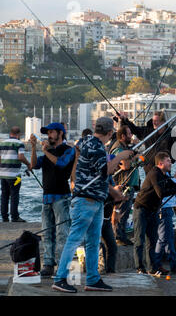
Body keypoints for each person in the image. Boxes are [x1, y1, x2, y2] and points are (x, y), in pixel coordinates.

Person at [52, 117, 133, 293]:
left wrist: (113, 192)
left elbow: (99, 177)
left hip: (96, 200)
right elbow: (106, 171)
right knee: (74, 240)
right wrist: (120, 156)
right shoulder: (96, 146)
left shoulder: (89, 142)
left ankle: (93, 279)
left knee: (93, 241)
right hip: (86, 201)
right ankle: (60, 278)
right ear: (110, 133)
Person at [29, 122, 76, 277]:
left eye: (51, 132)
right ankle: (48, 264)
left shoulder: (68, 150)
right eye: (47, 133)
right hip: (47, 197)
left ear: (60, 133)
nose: (49, 135)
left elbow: (62, 163)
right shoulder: (47, 152)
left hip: (61, 197)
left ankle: (63, 266)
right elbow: (34, 165)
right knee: (47, 233)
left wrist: (47, 151)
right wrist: (35, 148)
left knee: (62, 233)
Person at [133, 151, 176, 276]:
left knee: (152, 241)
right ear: (160, 163)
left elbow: (175, 187)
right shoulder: (154, 173)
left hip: (153, 210)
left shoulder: (165, 175)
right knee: (139, 240)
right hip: (141, 209)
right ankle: (139, 267)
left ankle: (153, 268)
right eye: (168, 160)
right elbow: (161, 193)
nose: (171, 163)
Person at [109, 125, 140, 246]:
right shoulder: (118, 149)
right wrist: (135, 159)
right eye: (129, 134)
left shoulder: (127, 148)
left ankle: (121, 235)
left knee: (126, 212)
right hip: (123, 185)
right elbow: (125, 165)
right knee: (121, 212)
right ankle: (119, 237)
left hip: (130, 184)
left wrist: (137, 156)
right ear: (122, 136)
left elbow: (142, 158)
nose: (131, 136)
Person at [0, 126, 32, 222]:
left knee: (4, 195)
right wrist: (29, 164)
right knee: (14, 195)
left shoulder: (2, 143)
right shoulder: (19, 143)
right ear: (19, 134)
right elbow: (21, 157)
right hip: (15, 175)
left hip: (3, 174)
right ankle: (15, 217)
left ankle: (4, 217)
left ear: (10, 133)